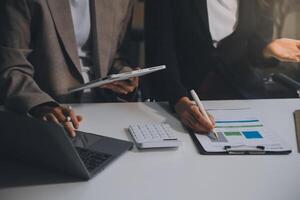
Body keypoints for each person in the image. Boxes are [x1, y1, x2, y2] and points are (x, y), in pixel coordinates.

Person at [144, 0, 300, 133]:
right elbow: (159, 52)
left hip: (244, 100)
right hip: (185, 100)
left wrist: (268, 49)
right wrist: (179, 101)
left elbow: (253, 52)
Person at [0, 0, 138, 136]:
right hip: (50, 115)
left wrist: (123, 74)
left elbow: (117, 55)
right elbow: (12, 67)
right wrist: (41, 105)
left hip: (108, 111)